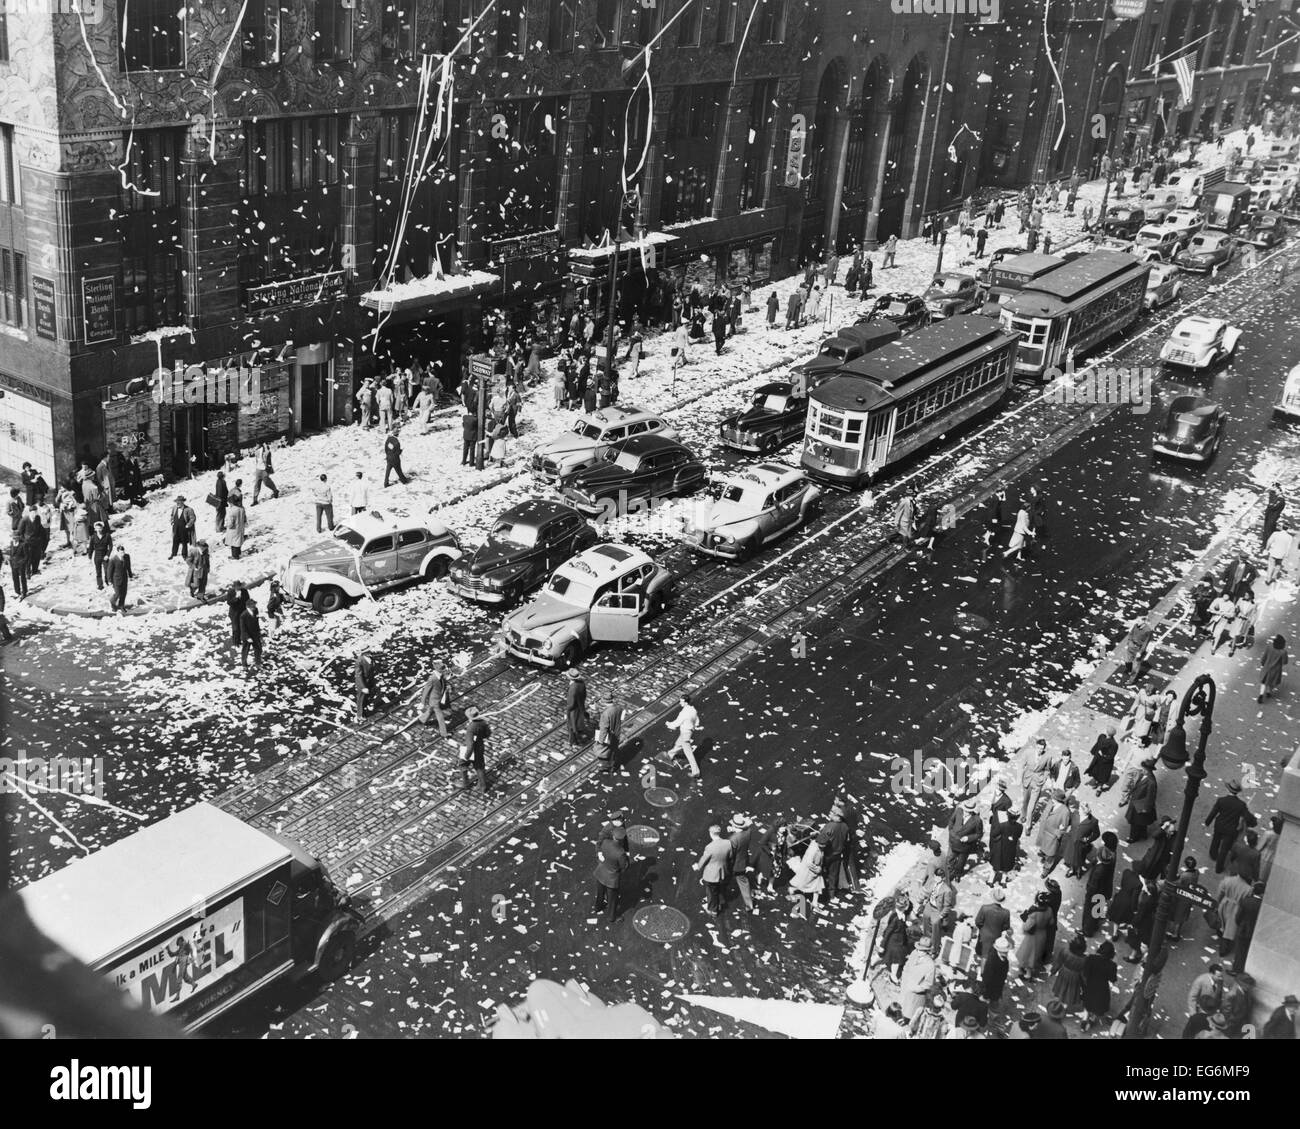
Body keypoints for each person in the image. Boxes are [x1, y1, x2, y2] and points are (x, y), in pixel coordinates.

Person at [1205, 779, 1256, 874]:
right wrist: (1253, 822)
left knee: (1215, 840)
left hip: (1219, 825)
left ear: (1228, 790)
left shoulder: (1221, 800)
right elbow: (1247, 816)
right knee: (1224, 849)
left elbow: (1214, 812)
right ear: (1237, 792)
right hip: (1231, 829)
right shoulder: (1241, 805)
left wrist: (1207, 822)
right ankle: (1218, 868)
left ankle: (1213, 854)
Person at [1081, 831, 1118, 937]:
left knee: (1089, 911)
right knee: (1097, 909)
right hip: (1104, 889)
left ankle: (1087, 930)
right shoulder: (1112, 854)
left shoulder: (1099, 870)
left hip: (1096, 891)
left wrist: (1088, 892)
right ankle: (1095, 924)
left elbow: (1093, 886)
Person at [693, 824, 733, 919]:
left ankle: (713, 910)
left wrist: (698, 867)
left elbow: (703, 860)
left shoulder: (709, 847)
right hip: (723, 871)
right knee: (720, 889)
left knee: (711, 892)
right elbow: (730, 856)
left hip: (712, 874)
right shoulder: (728, 843)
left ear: (711, 833)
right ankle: (719, 903)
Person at [592, 827, 629, 924]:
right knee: (612, 899)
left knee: (600, 893)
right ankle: (611, 917)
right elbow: (624, 866)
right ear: (622, 839)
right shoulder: (621, 852)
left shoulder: (605, 842)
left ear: (613, 836)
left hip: (600, 872)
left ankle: (598, 907)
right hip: (612, 879)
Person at [1016, 892, 1054, 981]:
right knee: (1034, 955)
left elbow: (1026, 927)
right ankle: (1026, 968)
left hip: (1032, 937)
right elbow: (1051, 922)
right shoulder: (1049, 910)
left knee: (1028, 955)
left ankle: (1027, 975)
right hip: (1042, 934)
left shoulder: (1034, 914)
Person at [1080, 940, 1117, 1030]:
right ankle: (1092, 1019)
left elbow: (1085, 973)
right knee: (1099, 1004)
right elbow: (1113, 979)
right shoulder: (1112, 965)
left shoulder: (1091, 958)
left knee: (1087, 1001)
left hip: (1089, 985)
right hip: (1102, 988)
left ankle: (1085, 1018)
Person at [897, 935, 937, 1019]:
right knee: (901, 1006)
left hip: (915, 993)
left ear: (928, 951)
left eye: (922, 950)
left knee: (909, 1013)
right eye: (918, 948)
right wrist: (904, 977)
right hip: (905, 985)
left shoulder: (930, 965)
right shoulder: (914, 953)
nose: (919, 951)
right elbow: (907, 965)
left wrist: (916, 988)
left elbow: (928, 983)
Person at [1120, 756, 1158, 843]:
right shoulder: (1145, 776)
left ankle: (1133, 837)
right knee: (1141, 822)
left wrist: (1146, 808)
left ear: (1148, 770)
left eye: (1143, 768)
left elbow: (1150, 796)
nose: (1142, 770)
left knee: (1135, 823)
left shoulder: (1151, 782)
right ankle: (1143, 834)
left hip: (1140, 805)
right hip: (1137, 802)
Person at [665, 694, 701, 777]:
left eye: (681, 701)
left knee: (688, 753)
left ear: (685, 702)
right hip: (689, 731)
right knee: (678, 743)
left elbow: (677, 723)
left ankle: (695, 771)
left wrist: (669, 724)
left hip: (685, 732)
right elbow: (697, 721)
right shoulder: (693, 710)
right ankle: (670, 754)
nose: (680, 703)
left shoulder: (684, 713)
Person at [1062, 801, 1099, 878]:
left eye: (1081, 810)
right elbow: (1070, 822)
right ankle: (1072, 869)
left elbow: (1096, 834)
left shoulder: (1093, 821)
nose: (1079, 811)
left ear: (1086, 812)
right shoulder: (1076, 814)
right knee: (1071, 857)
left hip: (1081, 844)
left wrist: (1088, 839)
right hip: (1072, 841)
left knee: (1080, 858)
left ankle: (1079, 870)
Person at [1050, 934, 1087, 1011]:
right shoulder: (1084, 959)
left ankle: (1057, 1004)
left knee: (1061, 987)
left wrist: (1053, 971)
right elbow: (1084, 974)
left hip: (1063, 973)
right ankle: (1063, 1008)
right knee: (1070, 992)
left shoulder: (1065, 951)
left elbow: (1058, 962)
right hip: (1075, 977)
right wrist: (1085, 984)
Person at [459, 704, 491, 791]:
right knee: (479, 767)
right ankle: (483, 786)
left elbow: (470, 745)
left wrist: (466, 756)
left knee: (462, 764)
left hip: (472, 751)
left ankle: (465, 783)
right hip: (480, 747)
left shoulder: (471, 728)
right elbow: (487, 734)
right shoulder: (483, 722)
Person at [417, 659, 452, 738]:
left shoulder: (440, 676)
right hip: (434, 701)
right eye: (443, 669)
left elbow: (443, 682)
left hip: (438, 699)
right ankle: (444, 734)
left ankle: (422, 720)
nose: (444, 670)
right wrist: (422, 702)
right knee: (440, 718)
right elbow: (426, 690)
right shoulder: (432, 679)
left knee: (430, 711)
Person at [987, 808, 1022, 887]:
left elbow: (994, 834)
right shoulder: (1020, 827)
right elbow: (1018, 836)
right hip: (1011, 850)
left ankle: (990, 881)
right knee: (1006, 867)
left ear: (1008, 815)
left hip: (1000, 849)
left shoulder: (1002, 825)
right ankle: (1003, 882)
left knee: (995, 866)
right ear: (1018, 817)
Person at [594, 693, 624, 773]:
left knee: (604, 752)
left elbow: (604, 728)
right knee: (613, 750)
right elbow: (621, 718)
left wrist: (601, 741)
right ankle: (613, 766)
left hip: (608, 736)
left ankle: (605, 766)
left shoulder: (606, 713)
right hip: (616, 732)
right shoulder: (618, 707)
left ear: (604, 702)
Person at [1084, 726, 1119, 791]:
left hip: (1104, 762)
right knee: (1096, 772)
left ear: (1107, 732)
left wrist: (1102, 755)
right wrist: (1093, 752)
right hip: (1101, 761)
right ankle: (1096, 785)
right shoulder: (1104, 738)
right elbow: (1097, 744)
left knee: (1102, 775)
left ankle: (1099, 788)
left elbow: (1111, 756)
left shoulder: (1113, 744)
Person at [982, 936, 1011, 1006]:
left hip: (999, 981)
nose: (1006, 953)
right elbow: (987, 978)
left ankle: (992, 998)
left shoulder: (1003, 959)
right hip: (992, 982)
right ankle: (987, 999)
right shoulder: (992, 961)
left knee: (995, 991)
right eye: (1004, 952)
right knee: (990, 991)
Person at [563, 668, 590, 745]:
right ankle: (580, 733)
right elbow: (584, 694)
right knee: (578, 721)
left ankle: (573, 741)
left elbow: (571, 704)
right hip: (580, 706)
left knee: (571, 724)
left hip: (573, 709)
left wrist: (567, 711)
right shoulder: (581, 683)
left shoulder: (573, 688)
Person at [1259, 634, 1289, 703]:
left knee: (1264, 681)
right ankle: (1268, 692)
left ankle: (1261, 695)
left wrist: (1263, 663)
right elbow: (1285, 662)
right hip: (1275, 670)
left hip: (1267, 668)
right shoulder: (1283, 652)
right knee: (1271, 682)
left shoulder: (1269, 647)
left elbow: (1264, 657)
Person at [105, 542, 134, 612]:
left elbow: (128, 566)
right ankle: (112, 602)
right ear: (118, 552)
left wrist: (130, 574)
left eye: (123, 552)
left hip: (124, 578)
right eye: (121, 552)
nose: (123, 554)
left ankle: (121, 605)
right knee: (117, 593)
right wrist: (109, 580)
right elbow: (109, 571)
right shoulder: (113, 559)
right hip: (116, 579)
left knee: (124, 593)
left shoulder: (127, 557)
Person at [87, 520, 112, 589]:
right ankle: (100, 585)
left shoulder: (107, 536)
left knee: (107, 570)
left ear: (102, 528)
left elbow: (111, 546)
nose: (99, 529)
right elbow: (91, 548)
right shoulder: (93, 537)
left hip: (105, 555)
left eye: (100, 528)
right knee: (98, 571)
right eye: (97, 528)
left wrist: (107, 555)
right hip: (97, 556)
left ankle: (107, 581)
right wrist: (89, 557)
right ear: (95, 529)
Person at [239, 599, 263, 671]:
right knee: (245, 650)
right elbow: (243, 628)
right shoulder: (243, 615)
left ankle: (258, 663)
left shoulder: (256, 610)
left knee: (258, 649)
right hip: (247, 636)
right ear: (248, 607)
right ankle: (244, 664)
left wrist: (259, 633)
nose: (254, 607)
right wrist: (247, 637)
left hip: (255, 635)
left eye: (254, 605)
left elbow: (257, 623)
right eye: (253, 606)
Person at [169, 495, 196, 559]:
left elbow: (193, 518)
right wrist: (172, 521)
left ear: (183, 502)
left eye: (179, 502)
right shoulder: (174, 508)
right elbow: (172, 515)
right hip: (175, 528)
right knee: (175, 541)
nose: (177, 503)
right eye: (177, 502)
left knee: (184, 542)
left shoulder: (189, 509)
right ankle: (173, 554)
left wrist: (188, 525)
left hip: (184, 529)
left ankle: (184, 555)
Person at [1260, 485, 1285, 550]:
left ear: (1280, 491)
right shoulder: (1277, 498)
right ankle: (1264, 545)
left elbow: (1273, 507)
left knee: (1268, 532)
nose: (1275, 491)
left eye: (1276, 490)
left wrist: (1269, 505)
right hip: (1269, 517)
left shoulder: (1281, 500)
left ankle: (1267, 546)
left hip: (1272, 518)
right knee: (1265, 531)